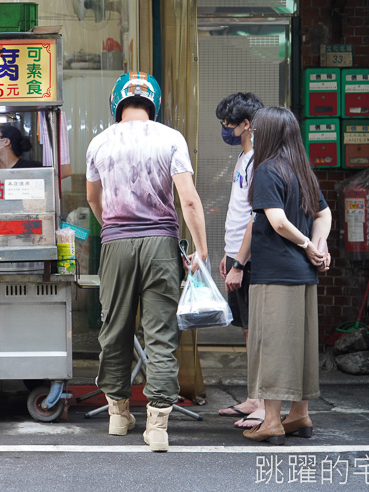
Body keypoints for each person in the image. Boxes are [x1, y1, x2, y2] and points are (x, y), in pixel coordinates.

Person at [85, 72, 208, 452]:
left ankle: (118, 416)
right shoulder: (171, 138)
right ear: (153, 102)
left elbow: (94, 199)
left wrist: (116, 230)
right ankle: (157, 427)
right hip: (161, 244)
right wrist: (200, 251)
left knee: (115, 329)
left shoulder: (99, 143)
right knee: (160, 335)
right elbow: (187, 199)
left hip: (116, 245)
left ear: (116, 103)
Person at [242, 106, 331, 445]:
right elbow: (324, 213)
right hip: (304, 275)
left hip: (275, 273)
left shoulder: (267, 170)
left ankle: (273, 422)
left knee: (273, 346)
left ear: (266, 135)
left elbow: (277, 222)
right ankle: (299, 415)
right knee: (301, 344)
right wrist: (319, 246)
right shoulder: (302, 170)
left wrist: (310, 244)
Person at [214, 92, 266, 429]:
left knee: (258, 331)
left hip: (249, 260)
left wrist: (239, 263)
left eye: (227, 124)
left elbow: (255, 218)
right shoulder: (243, 158)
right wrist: (228, 253)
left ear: (246, 124)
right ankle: (253, 398)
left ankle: (264, 403)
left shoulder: (259, 159)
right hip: (236, 254)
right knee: (247, 330)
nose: (225, 129)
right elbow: (237, 212)